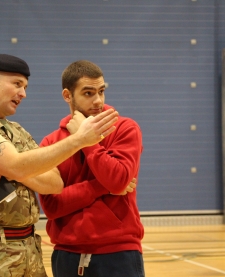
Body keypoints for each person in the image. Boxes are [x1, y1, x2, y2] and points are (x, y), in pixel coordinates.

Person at [0, 54, 119, 277]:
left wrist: (12, 170)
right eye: (17, 84)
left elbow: (54, 183)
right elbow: (18, 166)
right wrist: (78, 140)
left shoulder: (17, 131)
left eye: (25, 87)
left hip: (28, 253)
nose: (23, 94)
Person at [39, 60, 145, 277]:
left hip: (119, 253)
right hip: (66, 256)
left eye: (101, 91)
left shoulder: (125, 129)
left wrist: (87, 141)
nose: (97, 100)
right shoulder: (51, 143)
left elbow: (118, 180)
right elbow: (52, 206)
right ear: (68, 96)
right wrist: (102, 187)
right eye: (88, 93)